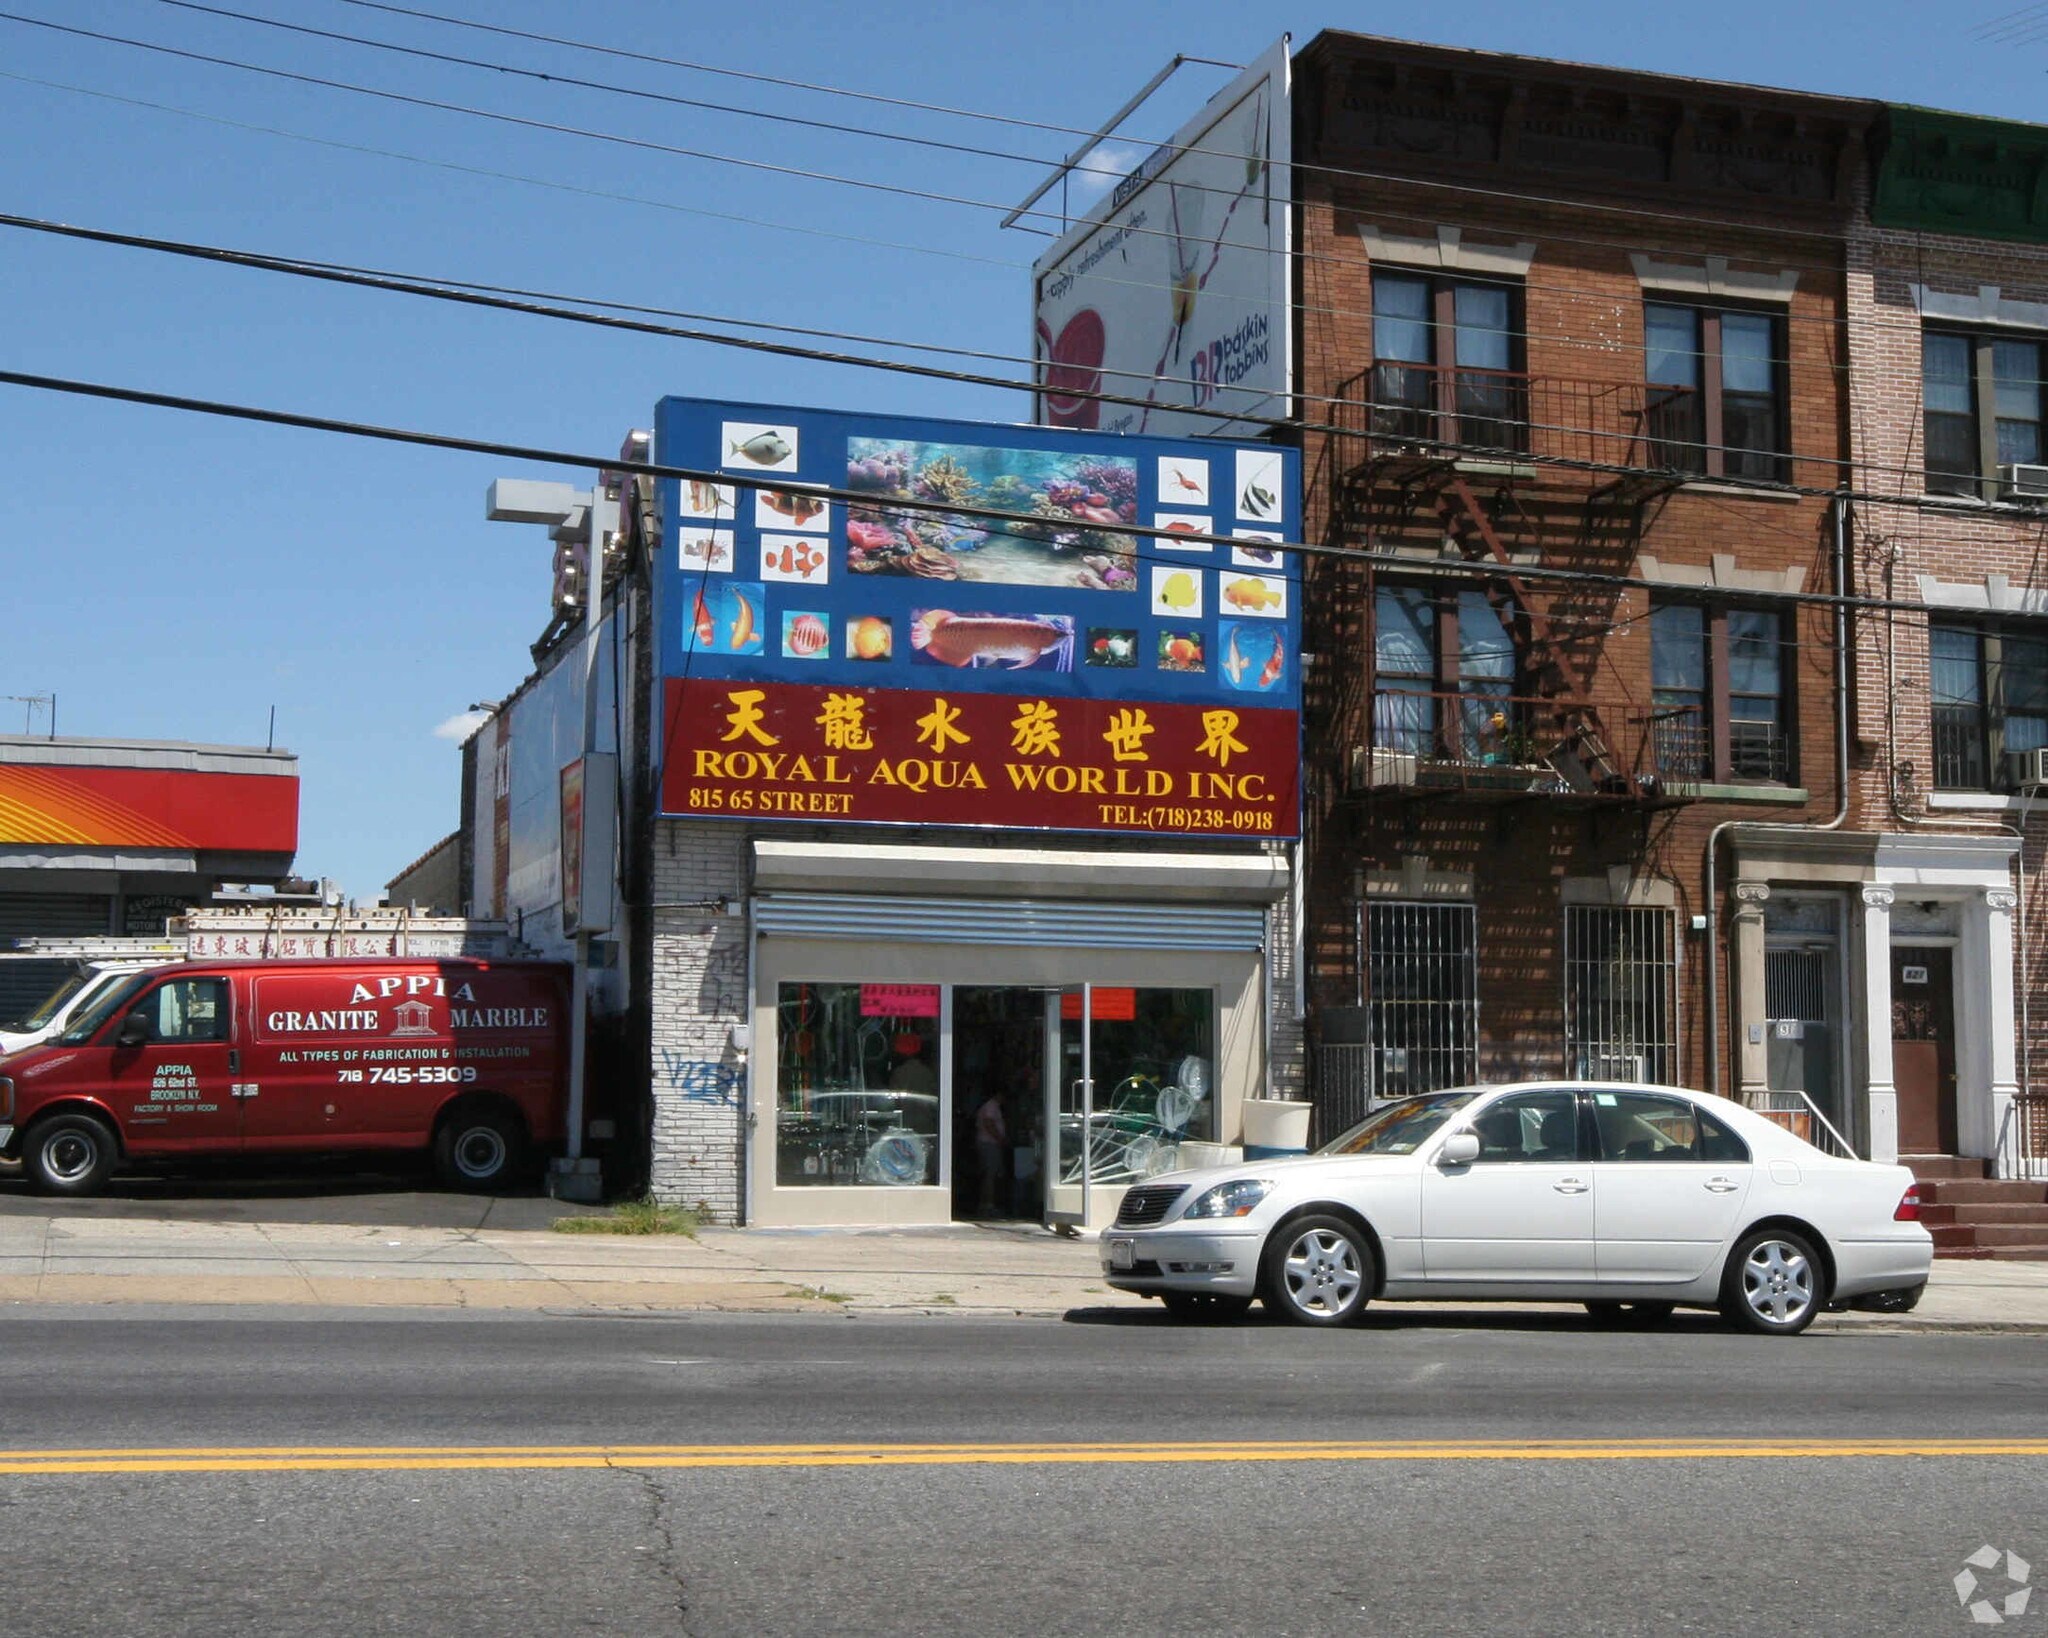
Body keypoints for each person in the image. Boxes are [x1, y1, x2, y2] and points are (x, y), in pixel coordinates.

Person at [974, 1088, 1009, 1217]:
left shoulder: (992, 1106)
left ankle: (986, 1204)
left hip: (990, 1143)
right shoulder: (991, 1106)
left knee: (990, 1174)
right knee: (990, 1174)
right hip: (989, 1144)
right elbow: (988, 1123)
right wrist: (1000, 1139)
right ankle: (987, 1205)